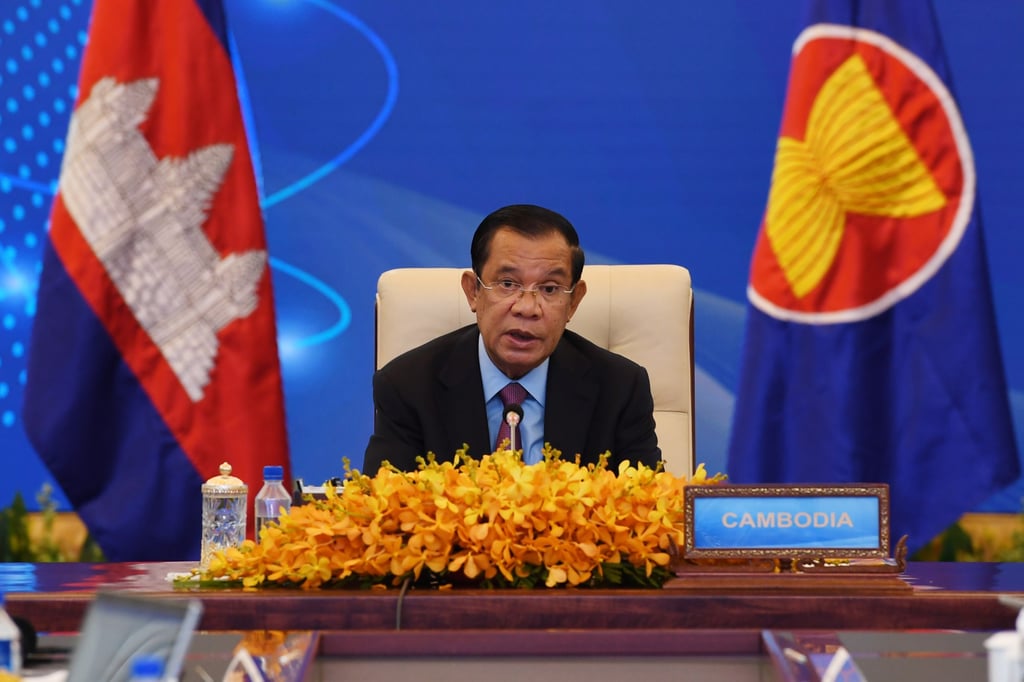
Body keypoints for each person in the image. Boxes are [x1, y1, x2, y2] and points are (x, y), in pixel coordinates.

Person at [363, 204, 661, 472]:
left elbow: (646, 517)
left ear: (574, 302)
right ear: (473, 292)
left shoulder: (620, 388)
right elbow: (388, 515)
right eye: (507, 284)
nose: (527, 308)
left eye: (550, 289)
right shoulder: (407, 386)